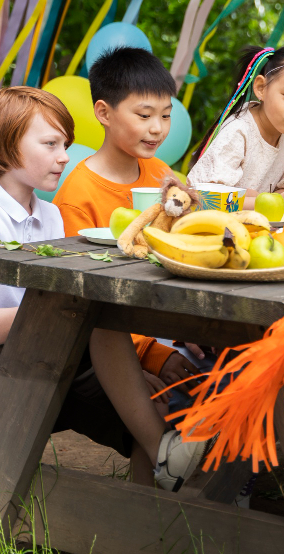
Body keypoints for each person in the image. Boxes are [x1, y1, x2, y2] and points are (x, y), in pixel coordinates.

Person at [0, 86, 208, 491]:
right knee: (96, 319)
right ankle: (165, 451)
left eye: (65, 144)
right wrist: (68, 310)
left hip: (34, 349)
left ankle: (147, 516)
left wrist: (125, 373)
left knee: (148, 404)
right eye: (50, 144)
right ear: (6, 147)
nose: (64, 156)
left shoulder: (48, 215)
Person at [52, 46, 201, 391]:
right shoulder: (77, 196)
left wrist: (192, 327)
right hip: (110, 345)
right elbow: (82, 302)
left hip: (170, 326)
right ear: (104, 112)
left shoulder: (161, 175)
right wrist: (149, 355)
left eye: (166, 115)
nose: (158, 129)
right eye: (144, 115)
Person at [187, 43, 284, 213]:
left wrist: (281, 199)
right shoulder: (239, 131)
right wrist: (276, 201)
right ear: (261, 88)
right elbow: (204, 200)